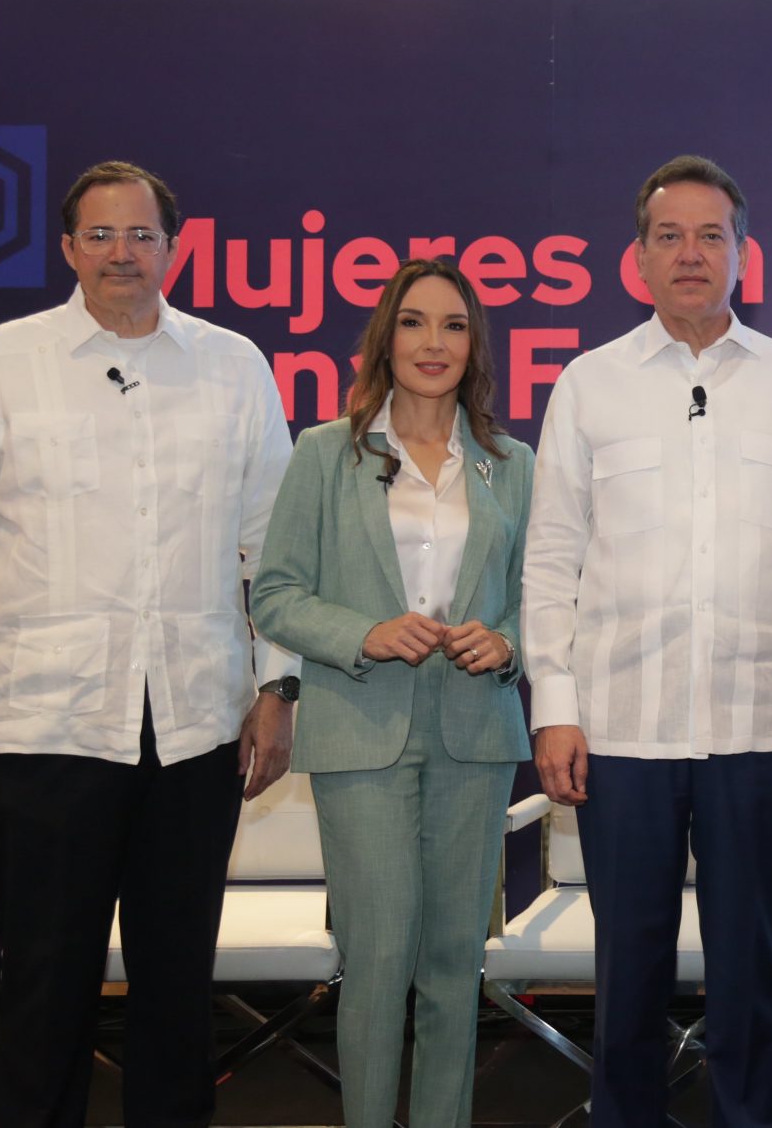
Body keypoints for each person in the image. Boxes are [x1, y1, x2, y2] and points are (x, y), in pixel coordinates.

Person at [0, 159, 296, 1128]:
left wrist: (278, 684)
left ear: (174, 247)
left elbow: (275, 547)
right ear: (68, 248)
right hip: (41, 731)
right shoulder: (1, 362)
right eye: (102, 235)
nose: (124, 253)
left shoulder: (233, 365)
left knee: (176, 997)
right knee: (45, 995)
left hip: (194, 732)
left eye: (142, 234)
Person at [521, 154, 772, 1128]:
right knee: (626, 971)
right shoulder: (589, 385)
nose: (689, 253)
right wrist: (554, 709)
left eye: (711, 235)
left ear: (742, 254)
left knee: (748, 970)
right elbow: (551, 558)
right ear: (637, 258)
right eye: (668, 236)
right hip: (620, 730)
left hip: (760, 727)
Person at [251, 259, 534, 1128]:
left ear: (475, 347)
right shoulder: (324, 452)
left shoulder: (512, 463)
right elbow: (275, 593)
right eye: (414, 322)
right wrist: (364, 633)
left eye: (454, 325)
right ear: (386, 338)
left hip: (475, 735)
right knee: (376, 960)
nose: (433, 342)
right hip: (360, 729)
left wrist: (509, 640)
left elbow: (544, 596)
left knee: (452, 963)